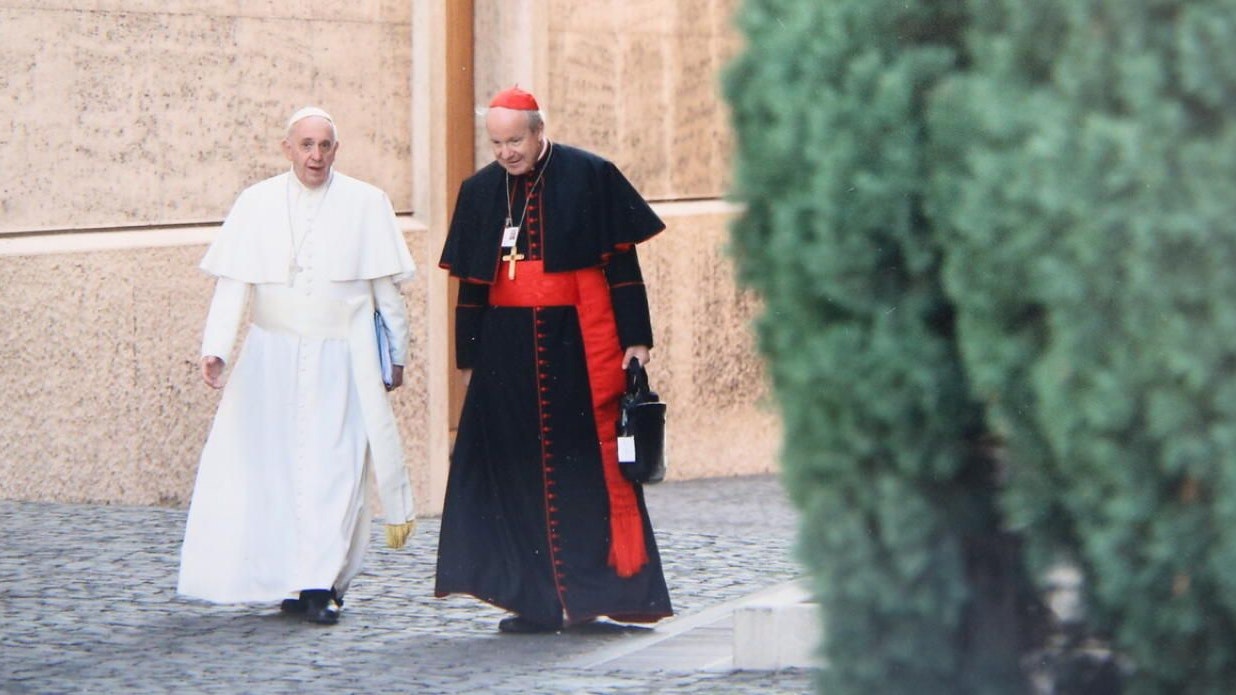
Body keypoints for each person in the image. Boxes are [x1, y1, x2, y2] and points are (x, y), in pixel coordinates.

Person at [434, 86, 673, 633]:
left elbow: (621, 266)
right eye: (497, 144)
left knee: (584, 470)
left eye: (515, 141)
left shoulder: (589, 174)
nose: (506, 154)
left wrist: (636, 338)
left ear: (539, 131)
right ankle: (534, 601)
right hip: (506, 353)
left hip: (579, 344)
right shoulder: (480, 190)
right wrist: (468, 359)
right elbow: (472, 286)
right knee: (515, 474)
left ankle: (592, 594)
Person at [177, 106, 418, 625]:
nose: (316, 155)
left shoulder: (366, 203)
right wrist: (216, 347)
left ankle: (320, 585)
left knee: (336, 470)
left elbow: (386, 292)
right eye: (306, 145)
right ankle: (290, 578)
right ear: (288, 149)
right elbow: (233, 284)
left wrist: (397, 355)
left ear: (336, 150)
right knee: (275, 469)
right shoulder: (256, 202)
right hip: (272, 358)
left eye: (325, 145)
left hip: (342, 358)